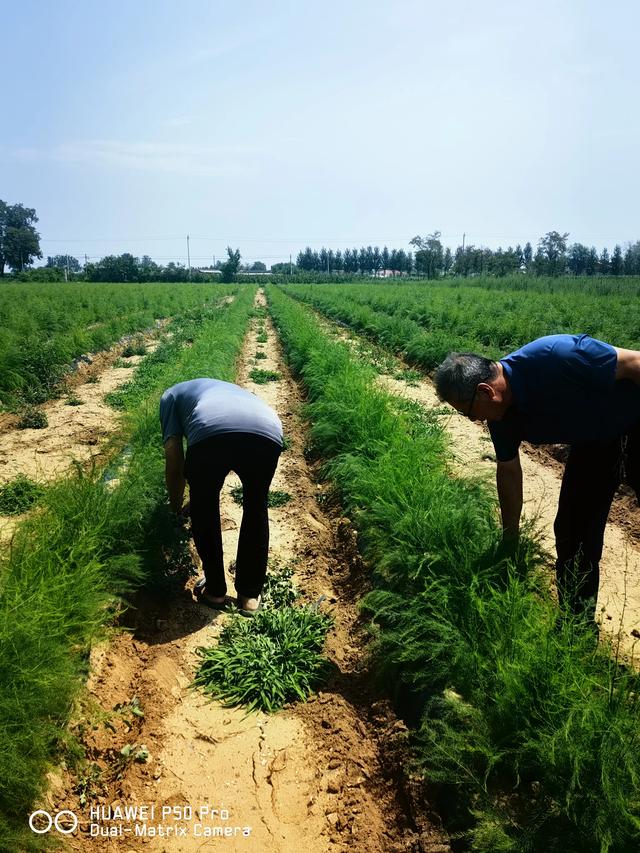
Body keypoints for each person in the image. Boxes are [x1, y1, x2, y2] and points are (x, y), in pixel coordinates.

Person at [434, 334, 640, 623]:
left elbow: (636, 363)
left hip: (635, 419)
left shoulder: (558, 356)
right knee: (573, 535)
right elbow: (508, 472)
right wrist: (510, 540)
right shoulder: (501, 418)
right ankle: (575, 628)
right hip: (595, 441)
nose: (473, 421)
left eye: (468, 413)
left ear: (485, 392)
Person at [160, 378, 283, 614]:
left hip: (210, 432)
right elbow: (236, 438)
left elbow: (175, 464)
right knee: (256, 506)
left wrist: (175, 509)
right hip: (268, 430)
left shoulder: (170, 396)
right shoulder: (231, 391)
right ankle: (249, 596)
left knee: (204, 505)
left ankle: (215, 590)